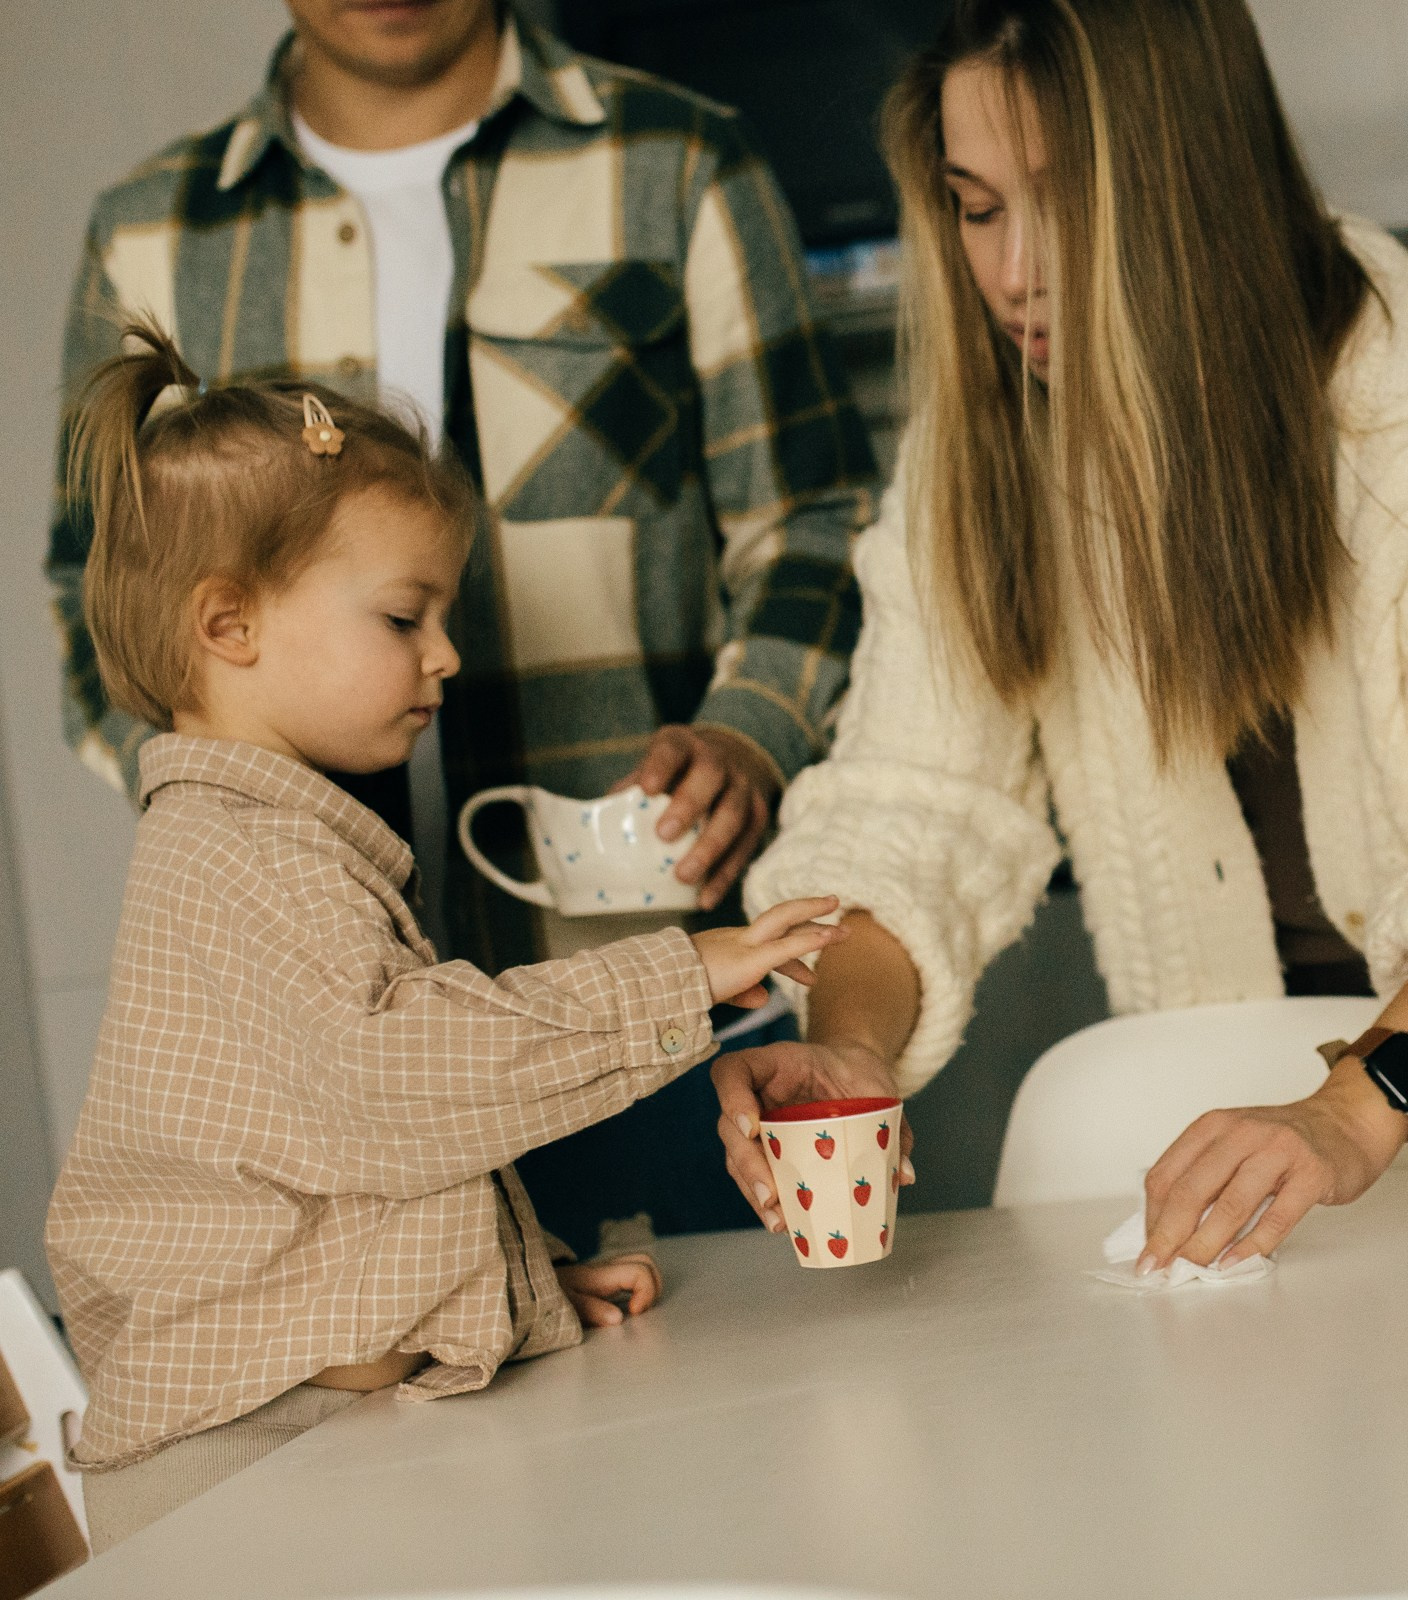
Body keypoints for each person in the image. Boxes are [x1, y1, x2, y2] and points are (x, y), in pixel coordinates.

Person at [715, 0, 1408, 1272]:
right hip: (1288, 1129)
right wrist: (850, 1042)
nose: (1011, 274)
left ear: (1187, 181)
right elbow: (906, 807)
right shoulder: (984, 445)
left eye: (1065, 200)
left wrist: (1350, 1105)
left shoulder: (1382, 351)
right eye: (977, 207)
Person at [45, 0, 878, 1252]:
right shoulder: (154, 228)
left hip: (657, 979)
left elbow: (815, 518)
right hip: (345, 1062)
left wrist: (751, 734)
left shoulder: (682, 160)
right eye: (402, 618)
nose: (440, 654)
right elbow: (94, 583)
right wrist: (240, 819)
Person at [45, 327, 848, 1552]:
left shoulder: (273, 838)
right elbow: (402, 1085)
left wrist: (500, 1289)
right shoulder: (247, 856)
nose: (448, 656)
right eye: (403, 617)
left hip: (307, 1440)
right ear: (230, 625)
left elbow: (344, 1180)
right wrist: (688, 966)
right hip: (232, 1485)